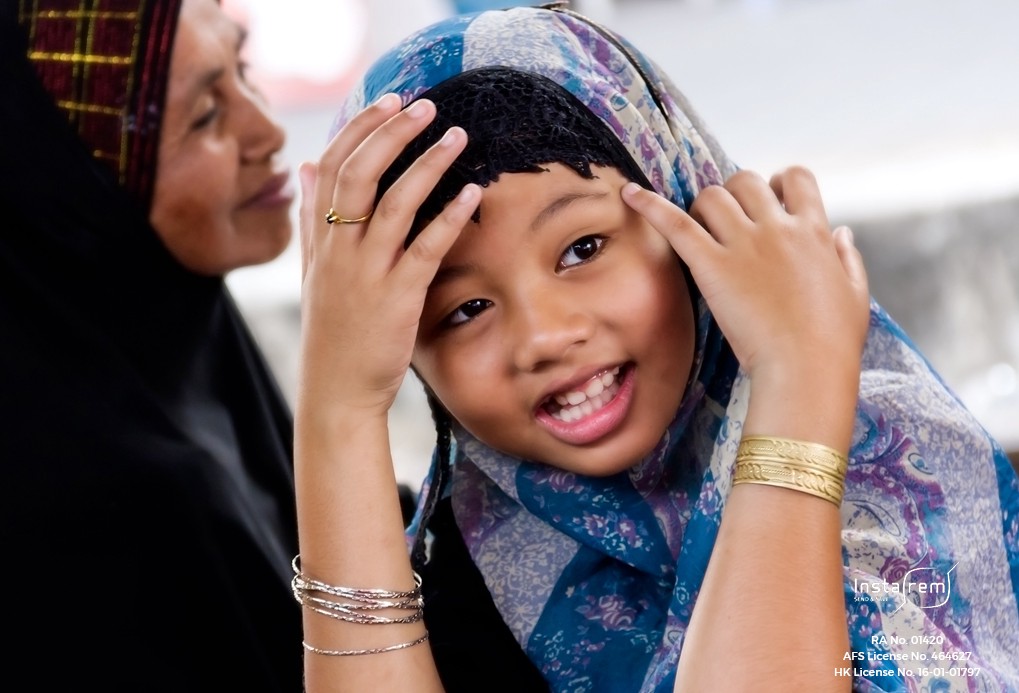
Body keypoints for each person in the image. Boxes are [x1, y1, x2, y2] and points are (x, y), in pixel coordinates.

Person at [295, 6, 1019, 692]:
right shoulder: (451, 577)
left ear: (682, 201)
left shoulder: (901, 469)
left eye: (582, 248)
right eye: (466, 309)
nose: (545, 336)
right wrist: (340, 409)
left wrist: (798, 381)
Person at [0, 0, 302, 689]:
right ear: (73, 189)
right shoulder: (93, 515)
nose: (268, 130)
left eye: (242, 68)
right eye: (206, 114)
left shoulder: (181, 337)